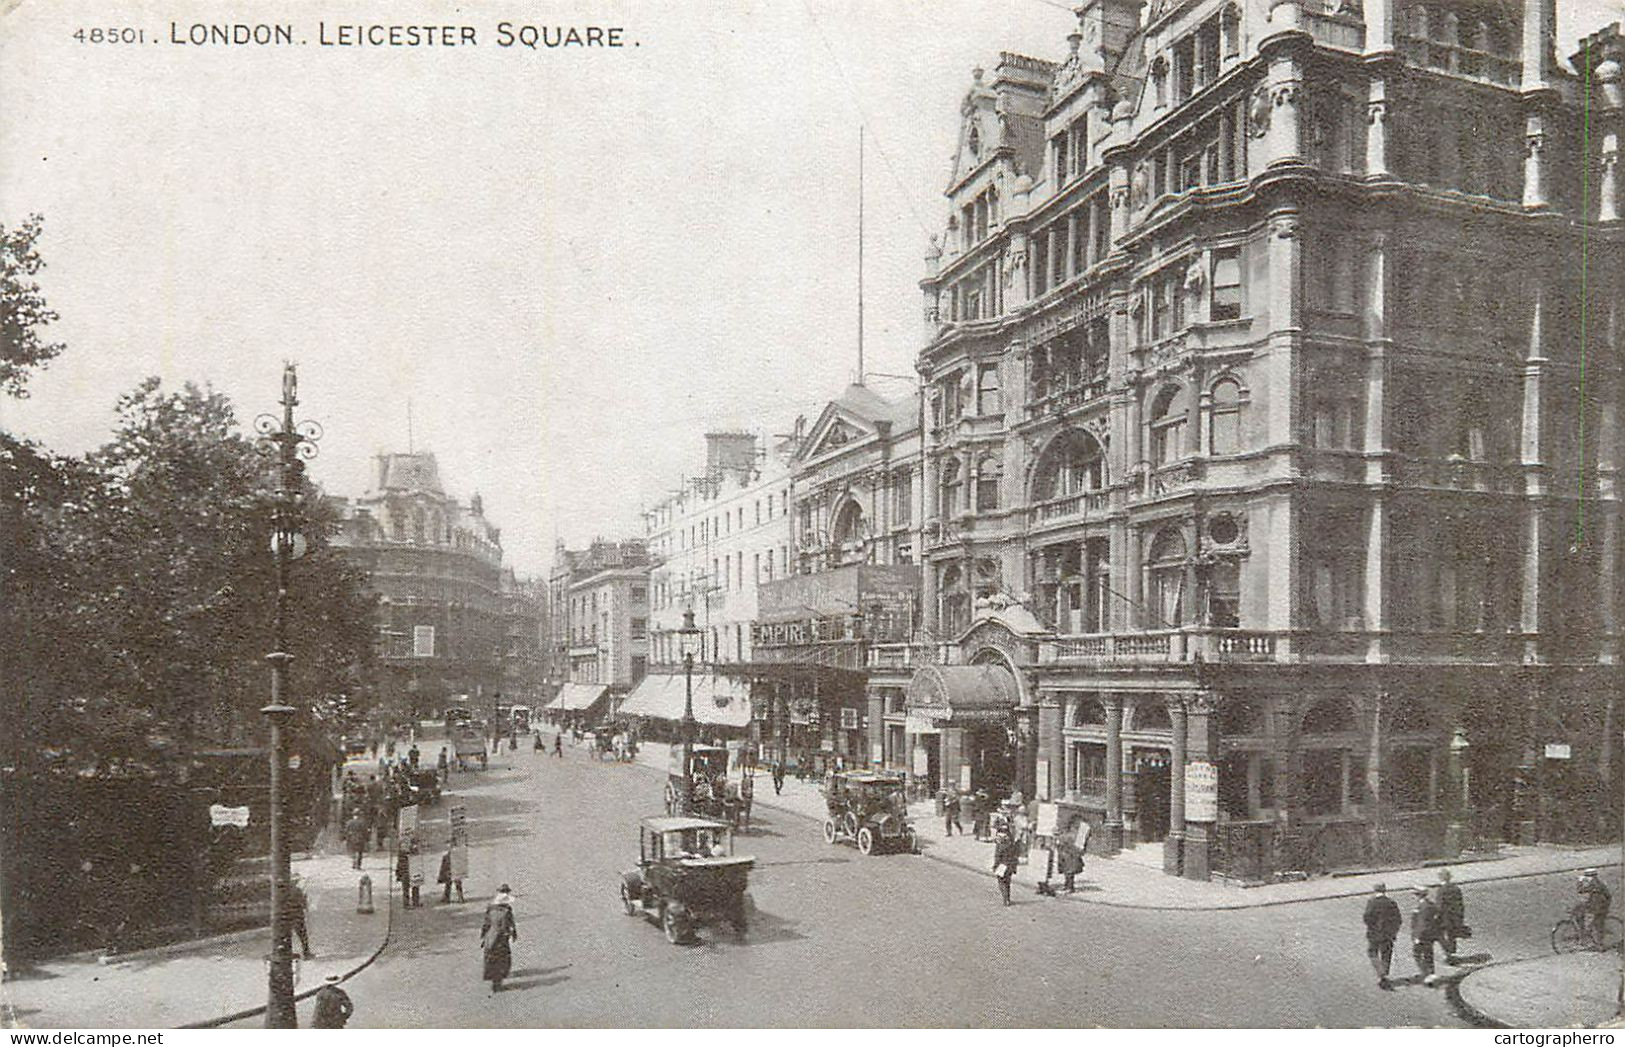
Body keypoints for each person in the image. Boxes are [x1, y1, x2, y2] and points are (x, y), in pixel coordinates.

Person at [1363, 883, 1403, 990]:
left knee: (1372, 953)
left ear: (1375, 890)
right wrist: (1394, 932)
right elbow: (1398, 919)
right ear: (1385, 890)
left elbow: (1367, 918)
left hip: (1374, 933)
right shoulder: (1391, 903)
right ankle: (1384, 973)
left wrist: (1371, 927)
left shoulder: (1372, 903)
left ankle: (1381, 973)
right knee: (1386, 954)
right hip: (1388, 934)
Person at [481, 885, 519, 992]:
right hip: (501, 939)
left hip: (490, 938)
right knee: (502, 960)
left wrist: (483, 936)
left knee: (492, 960)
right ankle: (498, 983)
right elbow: (509, 924)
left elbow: (486, 924)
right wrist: (513, 934)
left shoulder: (490, 909)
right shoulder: (507, 911)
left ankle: (494, 982)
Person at [1410, 884, 1441, 986]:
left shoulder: (1423, 906)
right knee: (1428, 953)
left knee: (1417, 954)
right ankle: (1431, 972)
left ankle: (1427, 974)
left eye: (1416, 895)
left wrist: (1417, 937)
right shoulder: (1430, 904)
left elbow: (1422, 924)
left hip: (1422, 935)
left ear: (1419, 895)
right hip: (1430, 934)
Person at [1434, 869, 1466, 964]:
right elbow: (1460, 904)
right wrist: (1460, 916)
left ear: (1440, 878)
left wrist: (1436, 916)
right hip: (1455, 917)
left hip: (1445, 918)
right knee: (1452, 936)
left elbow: (1439, 906)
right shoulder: (1456, 888)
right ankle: (1451, 954)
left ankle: (1448, 956)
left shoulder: (1441, 890)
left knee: (1443, 936)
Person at [1574, 868, 1613, 948]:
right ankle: (1585, 938)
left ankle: (1600, 945)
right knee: (1580, 917)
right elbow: (1581, 891)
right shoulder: (1591, 884)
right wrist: (1580, 882)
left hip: (1600, 908)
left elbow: (1608, 896)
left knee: (1598, 925)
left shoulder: (1599, 885)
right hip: (1592, 907)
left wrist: (1604, 906)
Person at [281, 876, 314, 959]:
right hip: (297, 915)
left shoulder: (282, 891)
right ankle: (306, 953)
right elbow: (303, 904)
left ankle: (287, 953)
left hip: (285, 916)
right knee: (303, 936)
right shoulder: (297, 891)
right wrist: (305, 898)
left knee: (287, 936)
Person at [993, 828, 1021, 907]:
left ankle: (1005, 898)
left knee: (1001, 882)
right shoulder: (1012, 844)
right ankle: (1007, 898)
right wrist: (1014, 867)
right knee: (1007, 883)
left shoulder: (1000, 845)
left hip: (1002, 866)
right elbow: (1016, 856)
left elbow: (998, 856)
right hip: (1010, 865)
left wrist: (995, 866)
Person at [1057, 823, 1088, 894]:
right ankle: (1067, 886)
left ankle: (1069, 887)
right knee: (1067, 872)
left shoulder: (1069, 836)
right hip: (1066, 855)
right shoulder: (1069, 835)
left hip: (1069, 856)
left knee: (1069, 872)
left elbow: (1065, 844)